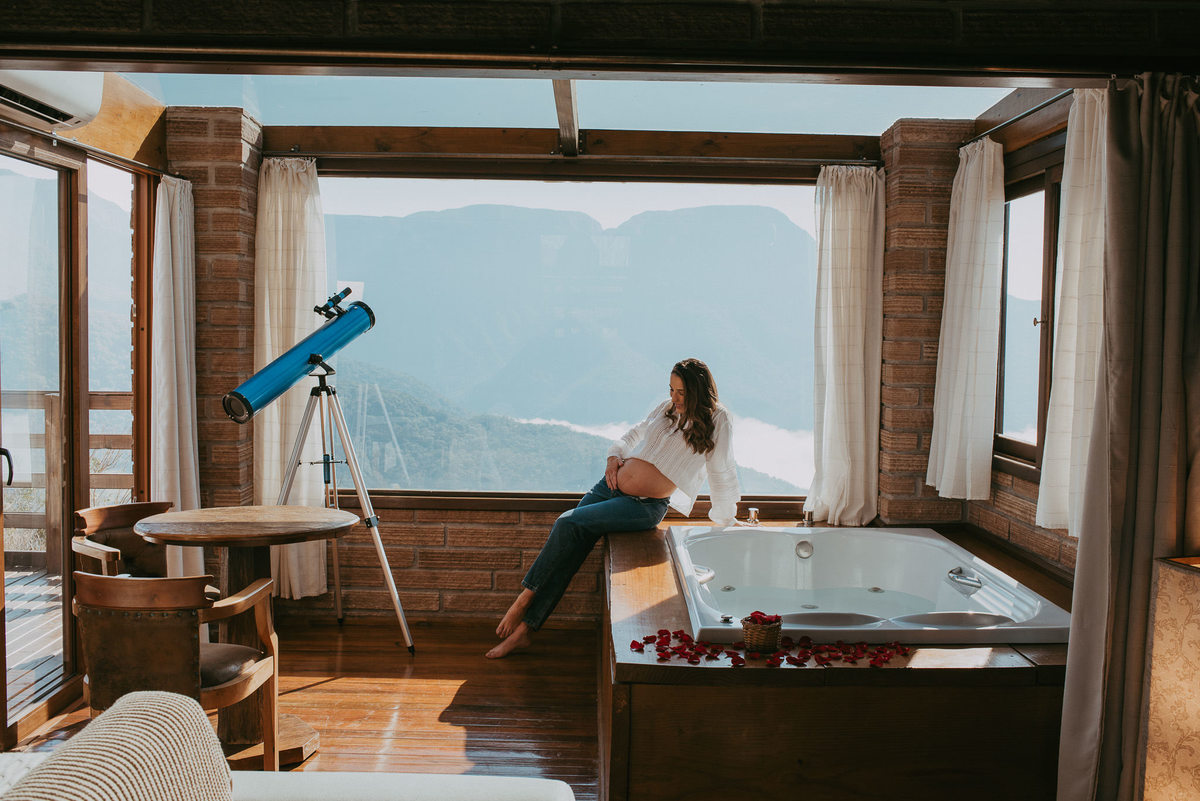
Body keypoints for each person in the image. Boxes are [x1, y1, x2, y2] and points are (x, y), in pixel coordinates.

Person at [486, 358, 741, 659]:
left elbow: (722, 472)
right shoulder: (666, 408)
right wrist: (613, 457)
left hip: (643, 507)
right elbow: (632, 435)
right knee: (570, 550)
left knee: (567, 523)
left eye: (682, 392)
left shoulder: (718, 419)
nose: (674, 397)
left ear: (699, 391)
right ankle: (524, 633)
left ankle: (524, 598)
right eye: (671, 389)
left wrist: (725, 520)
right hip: (607, 487)